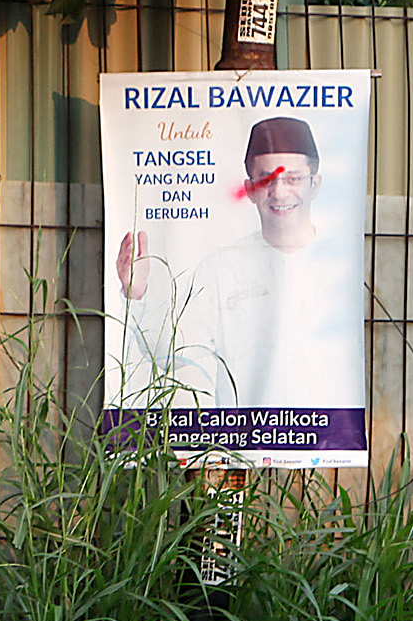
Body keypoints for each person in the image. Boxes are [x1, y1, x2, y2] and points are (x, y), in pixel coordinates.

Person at [115, 116, 364, 408]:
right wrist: (137, 293)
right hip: (242, 445)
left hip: (326, 444)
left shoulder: (340, 265)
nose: (280, 192)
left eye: (293, 178)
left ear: (315, 185)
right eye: (267, 179)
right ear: (249, 189)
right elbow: (171, 353)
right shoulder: (222, 269)